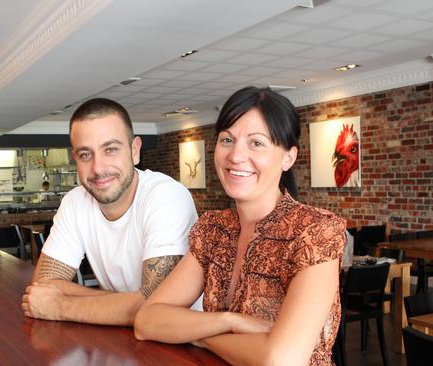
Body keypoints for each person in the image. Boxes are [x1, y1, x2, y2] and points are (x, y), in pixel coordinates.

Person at [134, 87, 346, 365]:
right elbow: (147, 320)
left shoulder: (314, 232)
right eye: (227, 140)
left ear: (288, 157)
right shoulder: (213, 230)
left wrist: (197, 334)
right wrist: (230, 321)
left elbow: (279, 360)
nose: (235, 155)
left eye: (256, 143)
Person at [21, 98, 198, 326]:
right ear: (76, 158)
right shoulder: (75, 202)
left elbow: (159, 310)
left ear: (135, 151)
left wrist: (60, 305)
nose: (98, 168)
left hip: (185, 347)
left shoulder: (166, 196)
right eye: (86, 154)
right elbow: (43, 286)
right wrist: (126, 304)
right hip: (121, 341)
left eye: (111, 149)